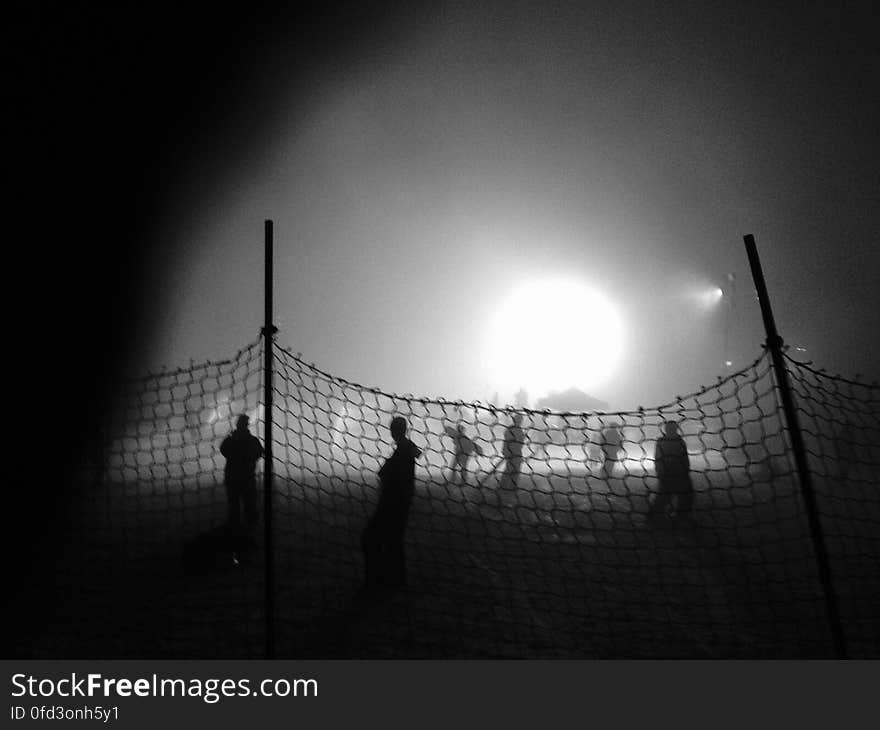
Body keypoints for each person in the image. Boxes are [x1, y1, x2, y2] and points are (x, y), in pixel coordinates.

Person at [362, 416, 422, 590]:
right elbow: (416, 454)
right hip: (401, 499)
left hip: (393, 500)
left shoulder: (403, 449)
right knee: (392, 540)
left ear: (393, 431)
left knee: (373, 539)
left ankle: (379, 580)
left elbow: (385, 473)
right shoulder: (406, 447)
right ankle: (394, 579)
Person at [219, 414, 264, 535]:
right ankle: (250, 531)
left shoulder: (231, 439)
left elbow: (223, 449)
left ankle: (236, 530)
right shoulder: (252, 440)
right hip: (247, 478)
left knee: (235, 506)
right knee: (249, 504)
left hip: (233, 477)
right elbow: (260, 452)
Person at [650, 421, 694, 522]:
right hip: (670, 471)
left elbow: (684, 457)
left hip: (677, 471)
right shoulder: (671, 441)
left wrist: (686, 469)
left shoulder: (677, 441)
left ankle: (680, 515)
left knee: (684, 495)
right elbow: (658, 458)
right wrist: (660, 471)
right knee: (666, 496)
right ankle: (655, 516)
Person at [500, 414, 525, 490]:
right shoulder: (514, 429)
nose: (521, 422)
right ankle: (504, 485)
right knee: (510, 469)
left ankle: (510, 485)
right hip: (513, 452)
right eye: (520, 420)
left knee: (513, 469)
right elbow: (509, 441)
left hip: (515, 452)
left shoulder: (513, 429)